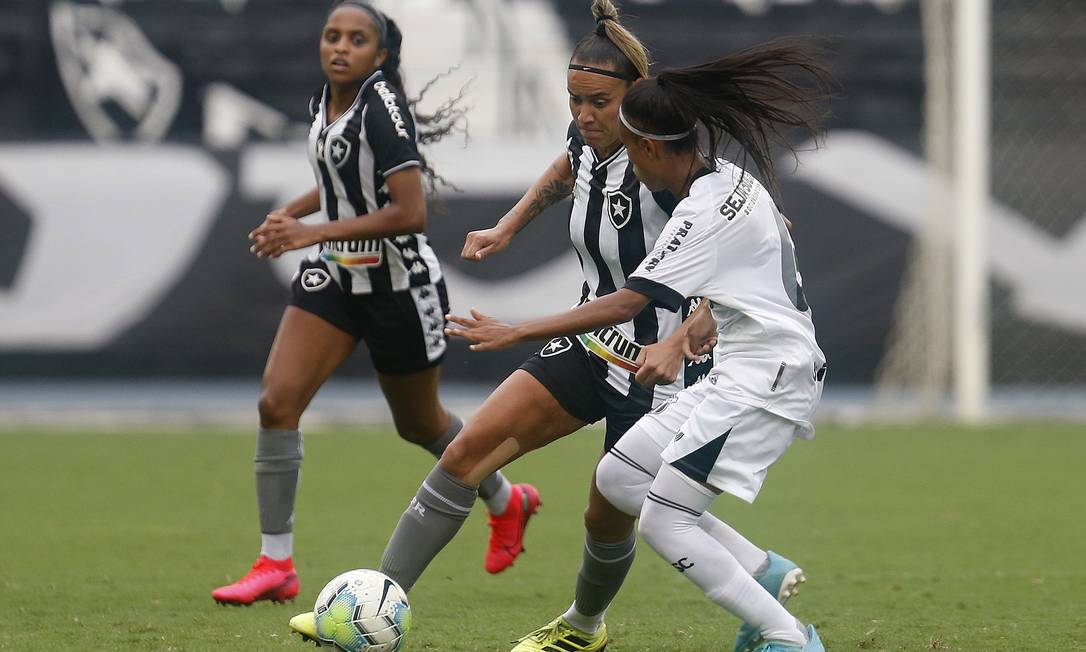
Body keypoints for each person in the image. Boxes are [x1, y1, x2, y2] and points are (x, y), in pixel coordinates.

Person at [445, 39, 833, 652]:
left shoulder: (699, 211)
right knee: (620, 479)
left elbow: (629, 302)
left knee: (663, 519)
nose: (627, 163)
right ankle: (764, 573)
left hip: (766, 382)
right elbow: (758, 250)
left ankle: (787, 637)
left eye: (632, 151)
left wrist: (515, 329)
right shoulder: (731, 178)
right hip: (741, 368)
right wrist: (695, 326)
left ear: (651, 148)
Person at [211, 0, 536, 607]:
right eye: (332, 35)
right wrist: (295, 214)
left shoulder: (381, 107)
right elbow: (340, 182)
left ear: (380, 55)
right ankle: (275, 563)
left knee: (418, 423)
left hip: (397, 286)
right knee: (276, 402)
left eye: (357, 40)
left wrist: (307, 233)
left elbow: (408, 213)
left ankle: (506, 498)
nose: (340, 47)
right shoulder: (324, 100)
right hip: (336, 276)